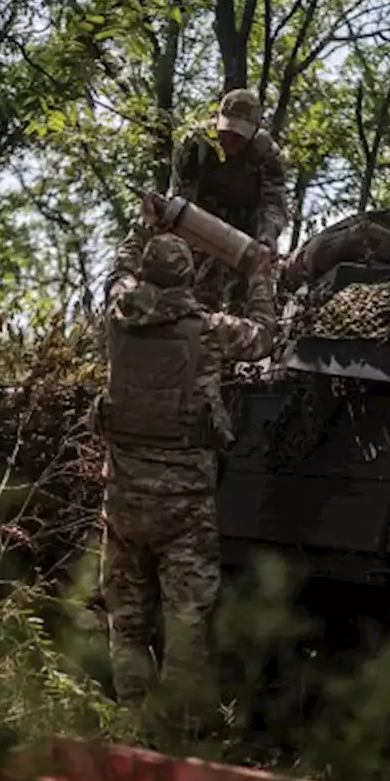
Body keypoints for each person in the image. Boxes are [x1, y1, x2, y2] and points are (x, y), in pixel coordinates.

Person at [94, 230, 276, 730]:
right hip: (186, 508)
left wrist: (137, 231)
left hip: (124, 501)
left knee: (127, 623)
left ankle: (132, 720)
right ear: (190, 276)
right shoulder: (211, 328)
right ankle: (170, 727)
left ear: (145, 274)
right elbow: (263, 337)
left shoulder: (118, 313)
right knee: (186, 620)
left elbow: (116, 273)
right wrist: (260, 278)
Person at [168, 88, 289, 313]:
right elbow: (180, 197)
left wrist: (267, 236)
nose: (231, 140)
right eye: (227, 131)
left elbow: (273, 202)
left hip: (245, 232)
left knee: (243, 300)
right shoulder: (196, 145)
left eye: (239, 135)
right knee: (191, 295)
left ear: (253, 131)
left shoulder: (266, 153)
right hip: (199, 226)